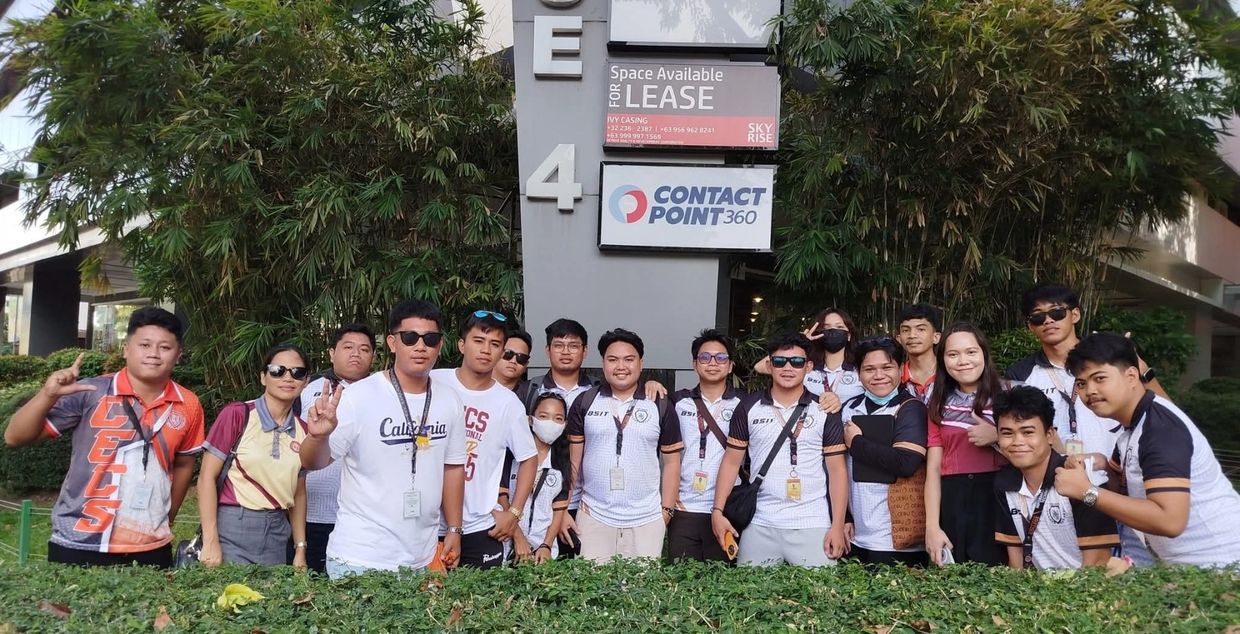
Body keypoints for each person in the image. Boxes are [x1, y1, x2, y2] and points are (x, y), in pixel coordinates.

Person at [4, 307, 204, 568]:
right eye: (144, 345)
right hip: (77, 540)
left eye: (165, 347)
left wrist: (166, 520)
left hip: (151, 545)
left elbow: (184, 464)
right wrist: (47, 395)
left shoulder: (188, 404)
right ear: (126, 349)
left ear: (178, 356)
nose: (154, 354)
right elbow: (14, 437)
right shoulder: (91, 390)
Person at [300, 299, 467, 578]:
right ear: (392, 342)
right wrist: (317, 437)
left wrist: (454, 529)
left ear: (440, 345)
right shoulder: (359, 397)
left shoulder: (449, 400)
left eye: (430, 339)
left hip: (423, 557)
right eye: (410, 337)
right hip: (360, 557)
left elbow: (453, 467)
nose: (420, 346)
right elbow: (313, 462)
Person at [1054, 333, 1240, 567]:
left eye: (1099, 378)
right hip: (1194, 568)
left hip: (1224, 565)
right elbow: (1126, 494)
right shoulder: (1132, 427)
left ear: (1132, 376)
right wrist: (1103, 465)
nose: (1090, 390)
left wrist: (1087, 492)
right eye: (1081, 383)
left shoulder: (1159, 429)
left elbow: (1170, 521)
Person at [712, 332, 850, 568]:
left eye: (796, 362)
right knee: (751, 589)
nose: (788, 368)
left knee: (820, 590)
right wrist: (717, 511)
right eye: (779, 361)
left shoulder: (825, 409)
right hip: (760, 521)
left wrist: (837, 525)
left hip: (812, 521)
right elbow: (731, 462)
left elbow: (837, 470)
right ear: (769, 365)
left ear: (808, 367)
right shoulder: (748, 407)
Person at [429, 310, 538, 569]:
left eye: (495, 344)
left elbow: (529, 459)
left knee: (480, 595)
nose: (486, 350)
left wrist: (514, 513)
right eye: (478, 341)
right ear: (461, 344)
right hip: (427, 525)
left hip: (479, 526)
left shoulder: (508, 403)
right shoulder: (433, 381)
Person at [565, 328, 683, 562]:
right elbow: (572, 462)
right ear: (603, 363)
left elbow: (672, 463)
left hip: (646, 520)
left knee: (640, 586)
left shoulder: (659, 403)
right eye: (613, 360)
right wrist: (563, 509)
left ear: (641, 363)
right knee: (591, 584)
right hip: (593, 517)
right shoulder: (585, 401)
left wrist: (666, 512)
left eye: (629, 359)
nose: (621, 366)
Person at [199, 344, 310, 567]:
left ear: (306, 381)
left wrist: (300, 548)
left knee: (270, 590)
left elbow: (298, 493)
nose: (288, 378)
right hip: (233, 526)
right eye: (277, 370)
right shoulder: (238, 415)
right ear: (263, 377)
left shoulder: (304, 430)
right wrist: (210, 541)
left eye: (297, 372)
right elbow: (206, 478)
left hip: (278, 531)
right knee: (230, 589)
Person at [993, 386, 1118, 570]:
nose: (1017, 441)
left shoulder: (1082, 479)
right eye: (1007, 433)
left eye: (1028, 432)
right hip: (1038, 586)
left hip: (1087, 584)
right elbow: (1016, 559)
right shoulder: (1003, 483)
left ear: (1050, 435)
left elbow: (1098, 562)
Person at [840, 336, 930, 566]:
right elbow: (836, 468)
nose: (878, 375)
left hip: (897, 539)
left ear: (901, 369)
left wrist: (856, 442)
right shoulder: (848, 408)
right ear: (858, 373)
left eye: (887, 367)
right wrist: (844, 517)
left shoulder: (911, 408)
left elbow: (906, 463)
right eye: (869, 369)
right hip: (856, 535)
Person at [924, 322, 1007, 566]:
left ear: (984, 353)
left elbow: (1042, 447)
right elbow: (933, 469)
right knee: (954, 578)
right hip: (953, 501)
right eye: (953, 354)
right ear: (943, 360)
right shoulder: (937, 403)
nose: (963, 361)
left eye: (971, 352)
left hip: (999, 495)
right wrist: (932, 526)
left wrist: (998, 436)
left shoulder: (1010, 394)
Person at [1005, 284, 1120, 459]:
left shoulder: (1108, 358)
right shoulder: (1020, 374)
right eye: (1038, 317)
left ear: (1075, 315)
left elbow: (1147, 410)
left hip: (1113, 469)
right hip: (1053, 472)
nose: (1048, 321)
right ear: (1030, 326)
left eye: (1057, 312)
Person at [297, 323, 375, 573]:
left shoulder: (381, 393)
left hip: (362, 516)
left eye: (364, 349)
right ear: (332, 353)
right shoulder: (307, 389)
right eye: (348, 347)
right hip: (312, 513)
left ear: (373, 357)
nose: (356, 354)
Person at [664, 329, 745, 562]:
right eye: (705, 357)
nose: (713, 363)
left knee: (722, 580)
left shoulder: (745, 403)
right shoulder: (676, 401)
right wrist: (650, 383)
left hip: (727, 509)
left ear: (730, 366)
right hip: (683, 508)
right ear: (694, 364)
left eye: (721, 358)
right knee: (681, 578)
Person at [505, 392, 571, 563]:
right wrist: (518, 538)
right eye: (543, 416)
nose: (550, 423)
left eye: (558, 418)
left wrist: (546, 545)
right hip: (506, 544)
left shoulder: (562, 463)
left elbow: (558, 510)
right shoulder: (512, 456)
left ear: (564, 424)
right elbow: (501, 498)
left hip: (542, 551)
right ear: (530, 419)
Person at [754, 308, 863, 406]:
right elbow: (759, 367)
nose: (833, 331)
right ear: (819, 334)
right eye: (827, 328)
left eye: (839, 327)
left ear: (849, 336)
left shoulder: (861, 368)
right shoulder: (805, 366)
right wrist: (802, 342)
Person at [895, 304, 941, 402]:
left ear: (936, 337)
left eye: (921, 329)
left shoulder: (950, 373)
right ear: (899, 339)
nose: (912, 335)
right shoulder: (894, 377)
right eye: (905, 330)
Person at [494, 329, 533, 397]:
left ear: (526, 365)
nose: (513, 361)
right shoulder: (476, 387)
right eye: (508, 354)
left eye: (521, 358)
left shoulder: (531, 396)